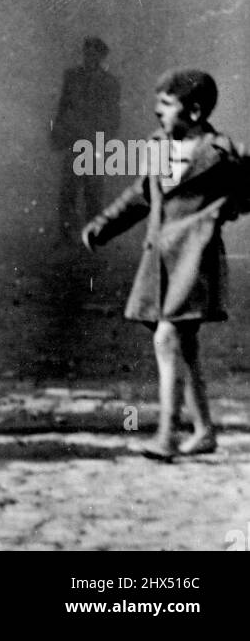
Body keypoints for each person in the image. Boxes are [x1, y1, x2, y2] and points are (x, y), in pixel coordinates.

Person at [82, 69, 250, 461]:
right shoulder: (157, 145)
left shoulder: (222, 153)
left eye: (166, 104)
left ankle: (167, 435)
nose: (157, 110)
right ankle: (204, 430)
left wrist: (225, 209)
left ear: (193, 111)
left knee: (166, 338)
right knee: (183, 346)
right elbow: (141, 194)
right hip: (159, 260)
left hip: (195, 260)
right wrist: (103, 225)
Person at [51, 36, 121, 242]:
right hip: (74, 140)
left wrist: (105, 140)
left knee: (93, 193)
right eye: (86, 52)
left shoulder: (110, 83)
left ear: (101, 56)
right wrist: (58, 134)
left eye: (94, 53)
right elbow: (63, 107)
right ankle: (66, 237)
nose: (89, 57)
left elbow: (114, 116)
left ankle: (93, 238)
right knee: (68, 192)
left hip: (96, 143)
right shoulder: (72, 77)